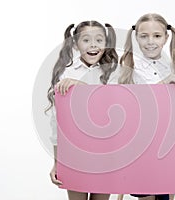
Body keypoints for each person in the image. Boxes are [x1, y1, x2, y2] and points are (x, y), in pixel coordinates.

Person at [118, 13, 175, 200]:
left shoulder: (173, 67)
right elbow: (134, 109)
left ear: (166, 37)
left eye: (157, 36)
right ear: (136, 37)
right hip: (141, 151)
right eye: (143, 36)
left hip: (168, 151)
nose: (150, 41)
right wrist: (163, 84)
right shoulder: (129, 68)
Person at [45, 20, 118, 200]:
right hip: (74, 154)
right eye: (86, 40)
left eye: (99, 40)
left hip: (106, 153)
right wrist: (57, 162)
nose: (93, 45)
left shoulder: (114, 73)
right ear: (76, 45)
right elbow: (57, 122)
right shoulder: (66, 74)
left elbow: (112, 108)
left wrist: (82, 87)